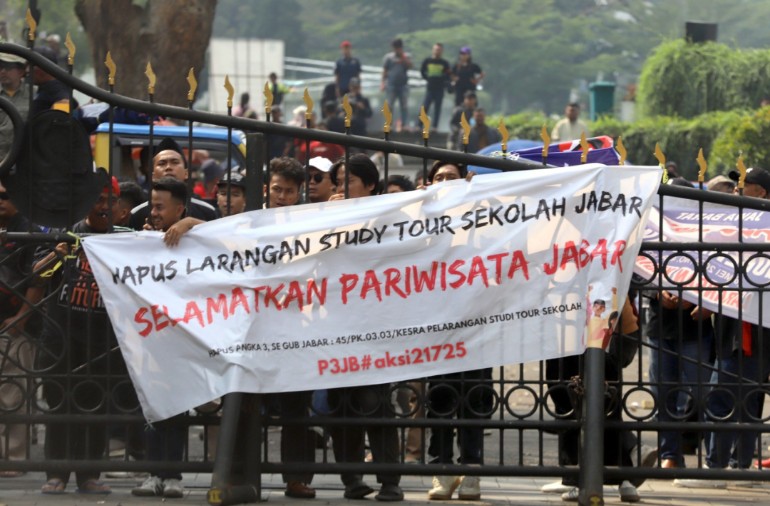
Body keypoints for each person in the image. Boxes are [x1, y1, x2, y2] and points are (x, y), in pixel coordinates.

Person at [34, 177, 132, 495]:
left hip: (102, 339)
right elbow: (36, 274)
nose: (103, 206)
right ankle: (57, 473)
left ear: (118, 204)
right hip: (61, 336)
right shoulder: (64, 232)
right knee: (59, 404)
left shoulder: (125, 239)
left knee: (95, 406)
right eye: (97, 199)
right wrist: (57, 255)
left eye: (110, 200)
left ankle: (89, 474)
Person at [326, 155, 403, 501]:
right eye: (338, 182)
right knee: (341, 404)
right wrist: (329, 221)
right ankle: (351, 479)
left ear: (370, 185)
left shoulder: (390, 219)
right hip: (335, 328)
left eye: (350, 181)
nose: (342, 188)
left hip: (375, 327)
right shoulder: (322, 218)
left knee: (375, 403)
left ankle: (390, 480)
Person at [422, 161, 489, 501]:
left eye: (452, 177)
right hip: (437, 331)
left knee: (474, 401)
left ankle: (472, 469)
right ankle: (442, 471)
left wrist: (475, 200)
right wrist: (416, 208)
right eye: (439, 178)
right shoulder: (420, 218)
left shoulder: (480, 216)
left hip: (477, 327)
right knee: (440, 400)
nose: (445, 182)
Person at [131, 178, 189, 499]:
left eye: (159, 207)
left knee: (177, 408)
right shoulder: (144, 236)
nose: (153, 212)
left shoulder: (194, 237)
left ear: (179, 210)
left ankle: (173, 475)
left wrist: (187, 225)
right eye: (151, 206)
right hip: (149, 337)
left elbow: (214, 231)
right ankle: (154, 474)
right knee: (152, 408)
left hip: (181, 338)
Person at [0, 180, 43, 475]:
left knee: (13, 392)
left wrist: (22, 318)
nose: (0, 201)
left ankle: (13, 459)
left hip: (16, 324)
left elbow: (38, 280)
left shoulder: (29, 231)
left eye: (6, 195)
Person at [128, 137, 217, 230]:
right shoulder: (137, 214)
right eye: (162, 163)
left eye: (175, 162)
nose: (168, 167)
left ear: (186, 173)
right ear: (152, 175)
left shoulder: (207, 212)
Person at [0, 50, 30, 160]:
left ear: (21, 72)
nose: (3, 71)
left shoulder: (34, 94)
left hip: (24, 161)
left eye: (8, 67)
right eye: (0, 67)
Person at [29, 46, 71, 117]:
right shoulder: (45, 89)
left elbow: (65, 108)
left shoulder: (58, 91)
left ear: (41, 69)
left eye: (30, 67)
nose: (27, 70)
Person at [381, 38, 412, 132]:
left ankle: (404, 124)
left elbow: (410, 66)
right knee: (389, 105)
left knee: (404, 106)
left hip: (403, 85)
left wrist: (403, 57)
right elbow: (385, 70)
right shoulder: (388, 57)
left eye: (398, 47)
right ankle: (388, 124)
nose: (397, 49)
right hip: (391, 85)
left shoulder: (406, 56)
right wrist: (382, 82)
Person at [419, 43, 451, 129]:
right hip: (430, 88)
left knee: (437, 108)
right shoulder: (427, 61)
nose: (437, 51)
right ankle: (419, 125)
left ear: (442, 51)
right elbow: (422, 71)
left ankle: (435, 126)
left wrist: (444, 81)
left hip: (440, 89)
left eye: (439, 50)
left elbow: (448, 75)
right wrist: (428, 78)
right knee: (425, 107)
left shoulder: (444, 63)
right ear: (433, 50)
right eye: (436, 49)